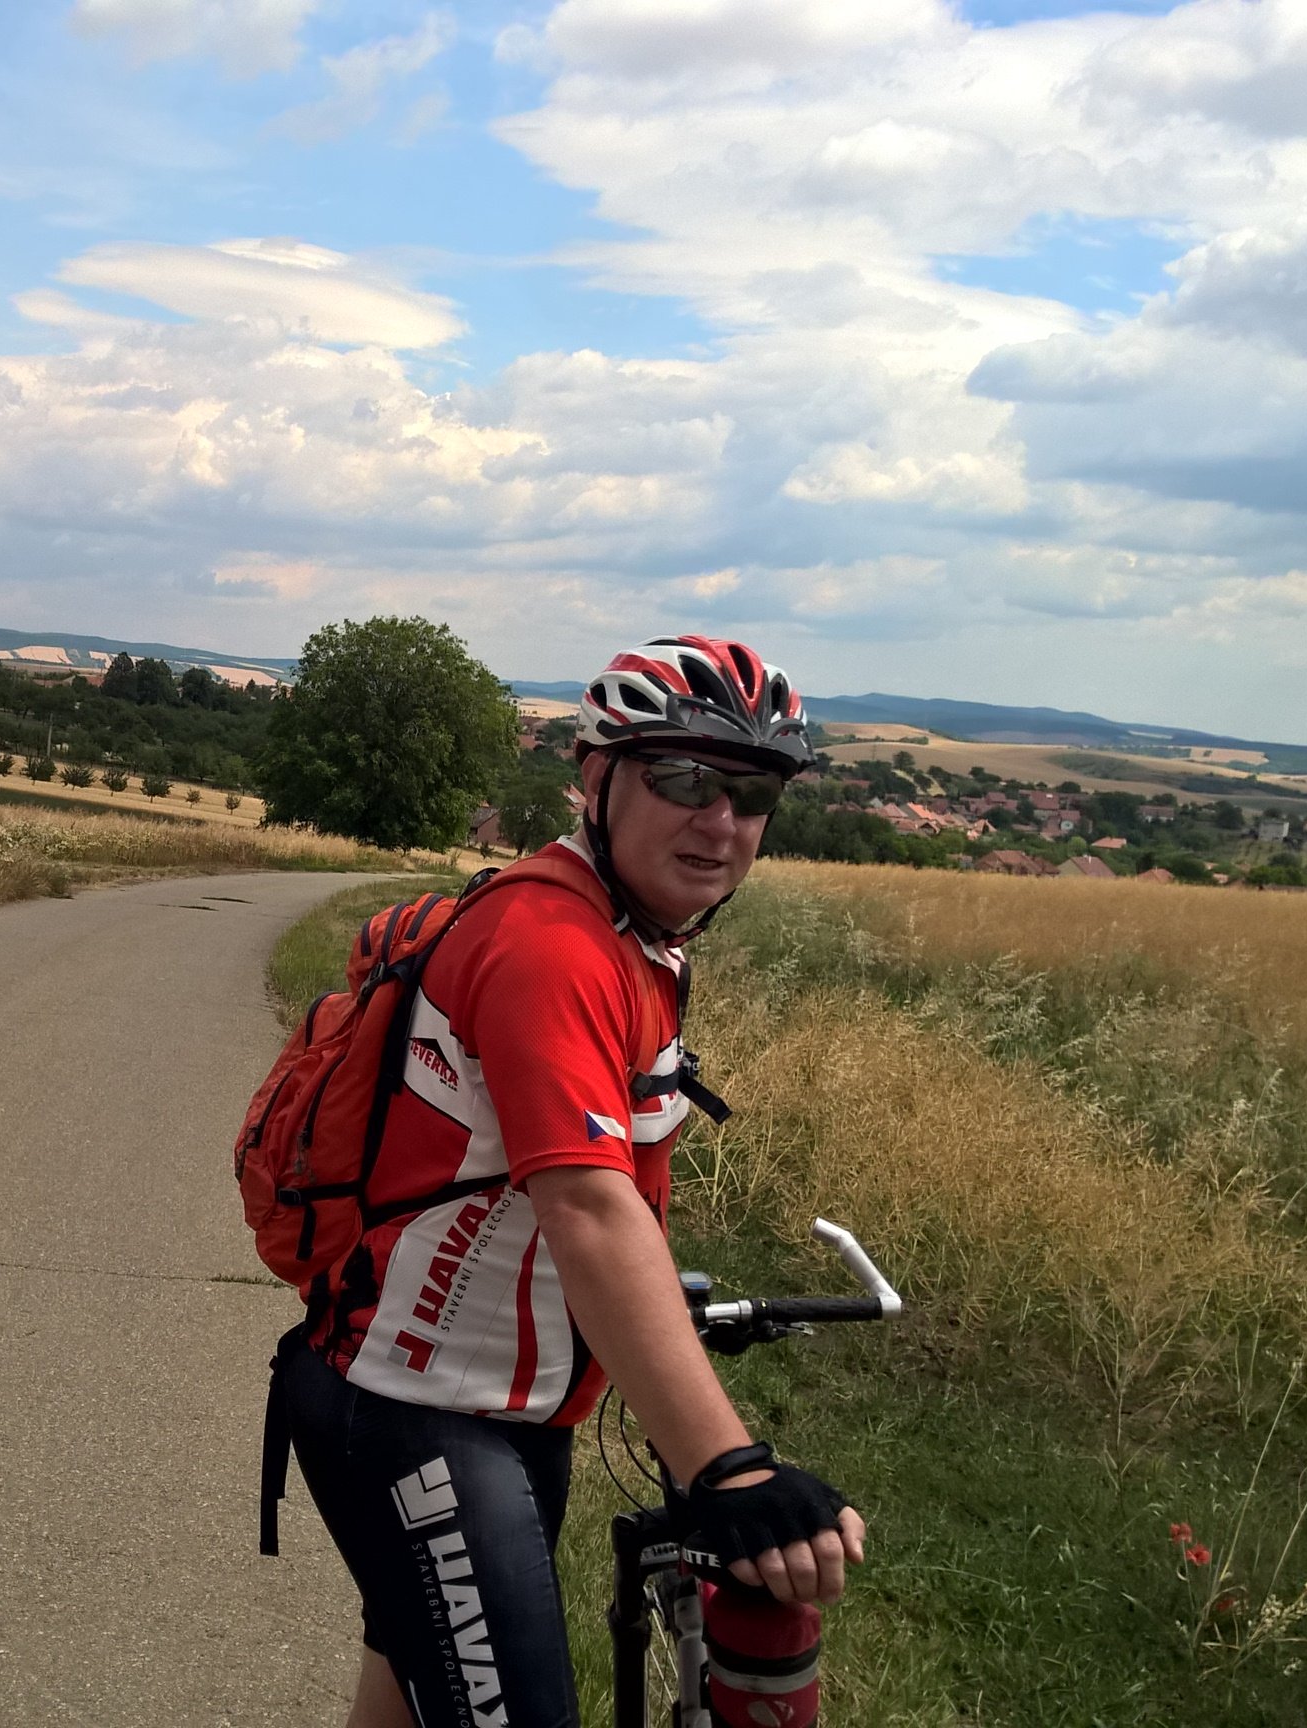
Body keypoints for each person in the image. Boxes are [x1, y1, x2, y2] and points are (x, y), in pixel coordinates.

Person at [270, 635, 867, 1728]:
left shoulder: (637, 937)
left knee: (409, 1695)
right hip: (421, 1411)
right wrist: (727, 1468)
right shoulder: (553, 947)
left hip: (507, 1409)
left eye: (752, 794)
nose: (720, 822)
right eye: (682, 779)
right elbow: (587, 1206)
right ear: (597, 778)